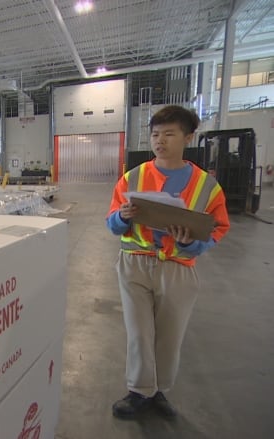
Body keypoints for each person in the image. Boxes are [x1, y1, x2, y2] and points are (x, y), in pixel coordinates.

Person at [106, 105, 230, 419]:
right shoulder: (133, 177)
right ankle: (138, 391)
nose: (160, 141)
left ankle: (159, 392)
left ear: (188, 137)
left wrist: (191, 242)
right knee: (139, 333)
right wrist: (122, 216)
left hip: (178, 268)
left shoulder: (207, 185)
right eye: (155, 135)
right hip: (135, 263)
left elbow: (218, 228)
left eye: (169, 134)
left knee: (170, 335)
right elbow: (111, 222)